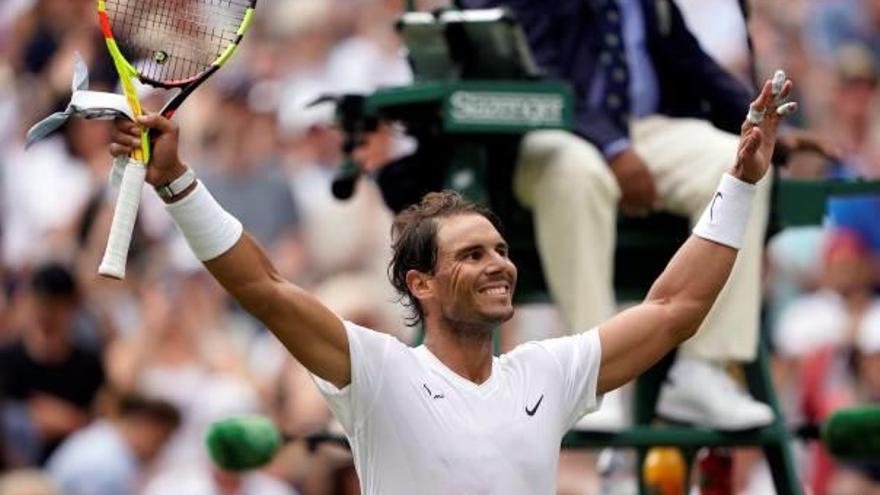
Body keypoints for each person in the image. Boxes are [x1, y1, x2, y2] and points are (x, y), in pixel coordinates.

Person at [108, 73, 794, 493]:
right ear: (422, 283)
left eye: (499, 248)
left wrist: (739, 181)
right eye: (470, 255)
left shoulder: (545, 373)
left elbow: (676, 307)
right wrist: (176, 181)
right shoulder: (375, 372)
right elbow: (265, 287)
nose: (498, 262)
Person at [436, 0, 837, 430]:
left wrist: (764, 128)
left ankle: (703, 369)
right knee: (578, 171)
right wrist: (613, 148)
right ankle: (592, 376)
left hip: (642, 130)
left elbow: (692, 63)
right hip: (550, 129)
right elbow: (540, 73)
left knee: (735, 158)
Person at [46, 394, 180, 495]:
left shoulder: (105, 436)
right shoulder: (109, 463)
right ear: (144, 427)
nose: (160, 449)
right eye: (160, 440)